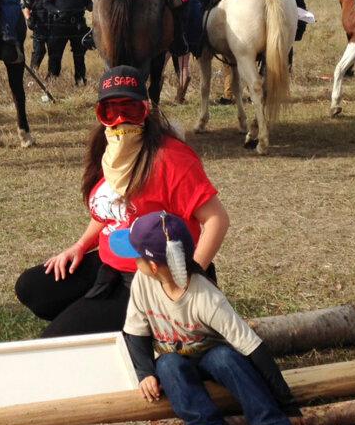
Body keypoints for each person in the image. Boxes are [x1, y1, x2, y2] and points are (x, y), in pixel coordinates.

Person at [15, 66, 230, 337]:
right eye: (110, 111)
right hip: (110, 265)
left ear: (146, 109)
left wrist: (187, 281)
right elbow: (110, 210)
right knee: (31, 288)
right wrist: (80, 246)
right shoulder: (109, 151)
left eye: (130, 110)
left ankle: (144, 323)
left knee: (53, 341)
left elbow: (217, 220)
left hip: (151, 276)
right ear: (100, 114)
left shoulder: (171, 158)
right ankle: (104, 319)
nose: (120, 120)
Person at [117, 212, 316, 425]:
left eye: (137, 256)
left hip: (211, 357)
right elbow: (136, 331)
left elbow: (253, 348)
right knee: (167, 365)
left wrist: (287, 404)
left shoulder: (206, 297)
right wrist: (145, 372)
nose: (134, 261)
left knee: (226, 358)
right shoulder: (142, 283)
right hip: (174, 361)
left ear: (154, 266)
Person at [44, 0, 93, 85]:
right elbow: (46, 3)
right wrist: (57, 11)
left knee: (79, 54)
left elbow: (88, 1)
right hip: (60, 25)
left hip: (78, 25)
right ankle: (52, 81)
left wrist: (92, 6)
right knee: (55, 55)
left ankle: (80, 81)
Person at [28, 0, 56, 70]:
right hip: (39, 27)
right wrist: (29, 19)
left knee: (54, 52)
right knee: (39, 51)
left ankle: (52, 75)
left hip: (52, 28)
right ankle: (33, 72)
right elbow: (26, 6)